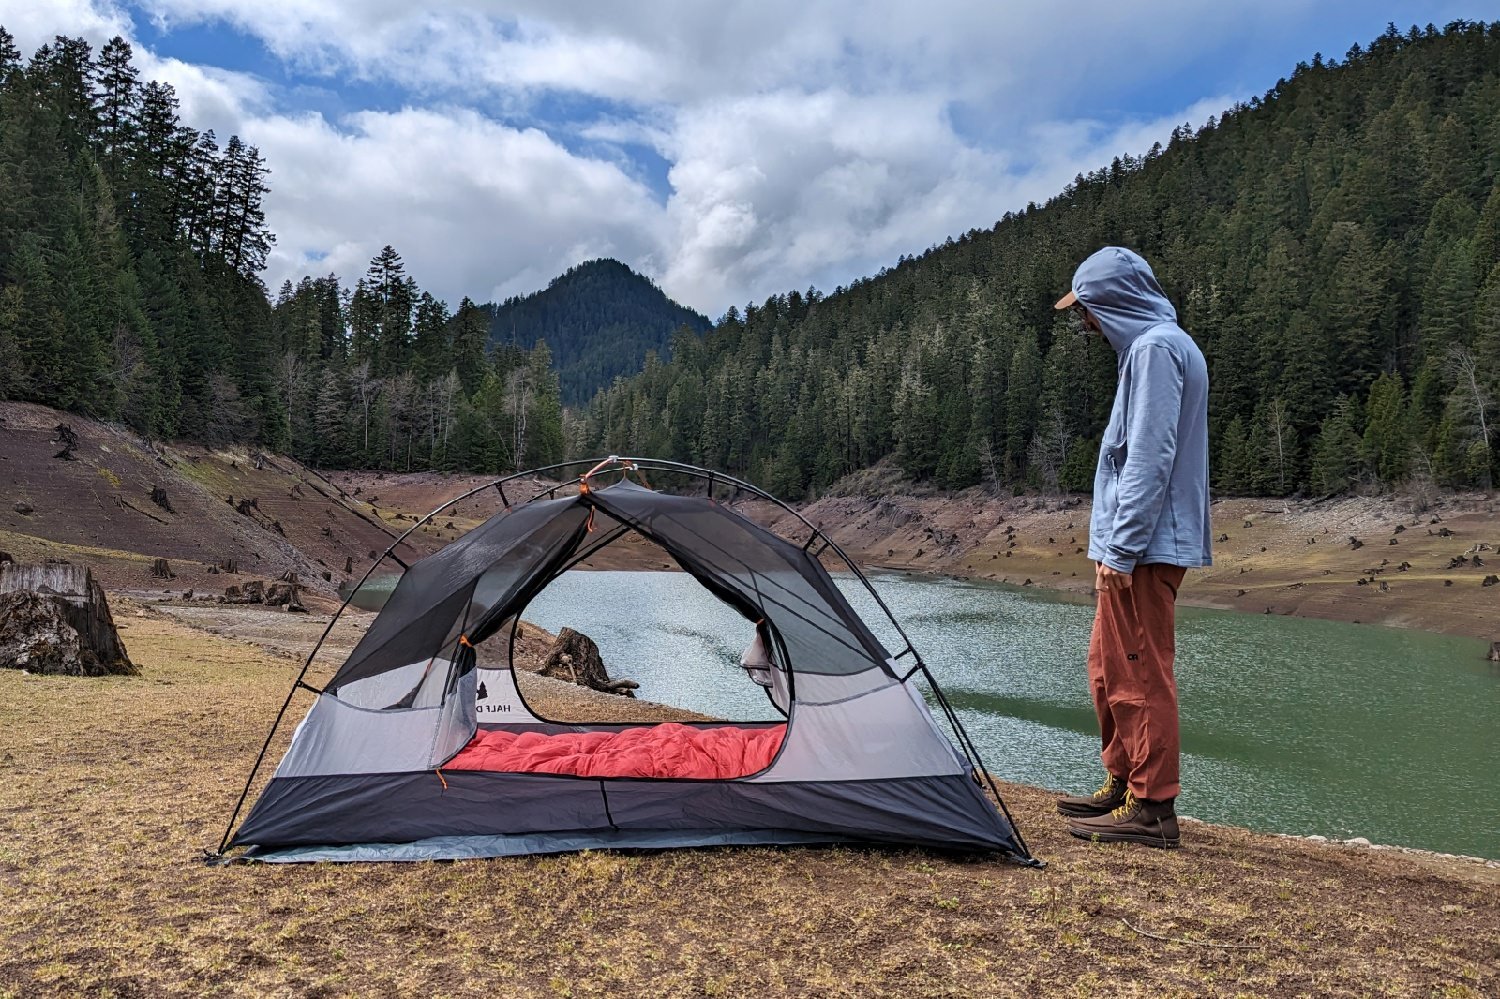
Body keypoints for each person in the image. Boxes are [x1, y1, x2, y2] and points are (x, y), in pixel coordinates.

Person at [1051, 246, 1211, 849]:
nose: (1085, 322)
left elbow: (1149, 456)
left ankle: (1154, 809)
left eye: (1087, 309)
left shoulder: (1154, 350)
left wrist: (1120, 548)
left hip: (1142, 547)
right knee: (1109, 667)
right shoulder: (1155, 348)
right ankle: (1123, 780)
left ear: (1112, 301)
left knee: (1140, 674)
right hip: (1135, 544)